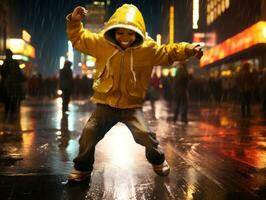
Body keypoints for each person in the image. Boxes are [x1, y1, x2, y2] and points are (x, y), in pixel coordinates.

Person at [66, 4, 203, 183]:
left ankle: (157, 159)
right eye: (120, 32)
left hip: (131, 106)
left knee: (145, 136)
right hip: (105, 104)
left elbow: (168, 51)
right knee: (89, 135)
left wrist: (188, 49)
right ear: (113, 31)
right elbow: (79, 39)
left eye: (130, 33)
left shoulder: (147, 49)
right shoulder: (102, 44)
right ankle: (82, 169)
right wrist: (75, 21)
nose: (125, 38)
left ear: (138, 33)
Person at [0, 49, 26, 120]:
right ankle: (13, 117)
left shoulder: (5, 63)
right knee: (14, 101)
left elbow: (2, 72)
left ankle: (8, 117)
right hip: (15, 85)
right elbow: (19, 74)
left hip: (7, 85)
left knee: (7, 102)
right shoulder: (15, 63)